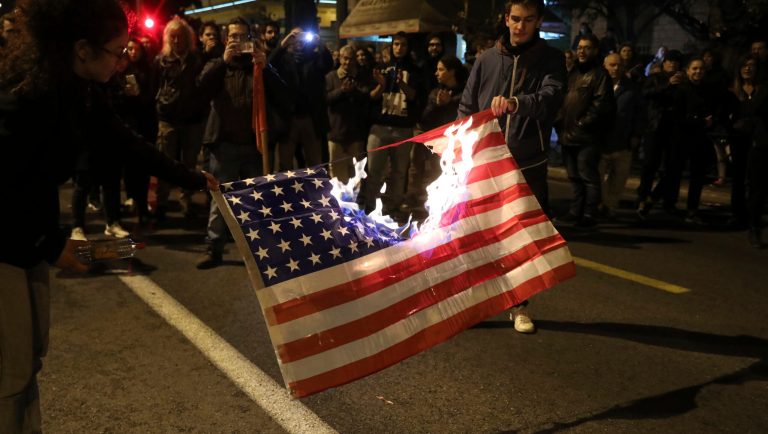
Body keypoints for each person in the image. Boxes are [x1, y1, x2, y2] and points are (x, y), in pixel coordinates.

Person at [0, 0, 217, 431]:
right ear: (83, 49)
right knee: (11, 367)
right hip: (7, 242)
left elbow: (127, 142)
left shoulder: (83, 91)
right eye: (116, 52)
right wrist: (52, 245)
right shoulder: (24, 98)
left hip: (32, 237)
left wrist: (193, 179)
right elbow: (6, 191)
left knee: (31, 354)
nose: (122, 62)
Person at [458, 0, 567, 334]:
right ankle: (475, 303)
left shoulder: (551, 58)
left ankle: (519, 305)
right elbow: (467, 105)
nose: (521, 26)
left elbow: (552, 96)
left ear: (538, 21)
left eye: (528, 20)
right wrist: (460, 147)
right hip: (485, 161)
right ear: (506, 19)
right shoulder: (487, 59)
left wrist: (517, 103)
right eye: (516, 19)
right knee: (478, 234)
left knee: (521, 237)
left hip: (527, 161)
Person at [196, 17, 286, 269]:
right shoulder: (218, 64)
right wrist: (222, 62)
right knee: (219, 201)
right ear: (226, 39)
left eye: (242, 37)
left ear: (250, 39)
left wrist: (267, 68)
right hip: (224, 145)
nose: (237, 41)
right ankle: (214, 248)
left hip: (254, 145)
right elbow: (200, 87)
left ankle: (258, 252)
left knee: (254, 200)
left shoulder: (258, 65)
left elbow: (283, 96)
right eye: (233, 36)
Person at [153, 16, 212, 219]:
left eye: (181, 36)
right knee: (165, 163)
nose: (177, 41)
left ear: (188, 38)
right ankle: (161, 202)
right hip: (168, 119)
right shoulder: (161, 61)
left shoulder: (197, 60)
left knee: (189, 164)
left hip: (192, 120)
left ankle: (186, 201)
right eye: (173, 37)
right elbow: (154, 88)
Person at [364, 32, 424, 216]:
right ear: (391, 46)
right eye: (396, 44)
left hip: (403, 128)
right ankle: (371, 207)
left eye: (403, 45)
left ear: (408, 47)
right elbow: (370, 96)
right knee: (374, 171)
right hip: (379, 128)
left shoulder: (415, 71)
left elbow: (415, 96)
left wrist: (402, 84)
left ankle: (392, 208)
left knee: (399, 172)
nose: (399, 48)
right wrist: (382, 85)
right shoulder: (380, 69)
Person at [404, 54, 468, 216]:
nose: (436, 73)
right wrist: (438, 104)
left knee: (440, 173)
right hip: (430, 138)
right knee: (418, 171)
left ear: (452, 71)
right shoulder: (436, 91)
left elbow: (463, 115)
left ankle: (439, 208)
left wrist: (450, 103)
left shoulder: (465, 92)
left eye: (441, 70)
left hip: (451, 142)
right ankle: (416, 204)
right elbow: (426, 116)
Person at [727, 54, 767, 246]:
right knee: (738, 177)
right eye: (744, 65)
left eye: (751, 65)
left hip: (759, 140)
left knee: (757, 183)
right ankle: (738, 214)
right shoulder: (733, 91)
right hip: (738, 139)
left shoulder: (763, 91)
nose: (748, 68)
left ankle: (754, 225)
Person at [599, 53, 645, 217]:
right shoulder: (597, 85)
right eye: (612, 65)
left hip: (623, 140)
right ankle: (602, 203)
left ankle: (610, 205)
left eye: (619, 65)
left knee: (619, 177)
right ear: (605, 66)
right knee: (598, 176)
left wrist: (636, 134)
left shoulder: (632, 88)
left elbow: (639, 113)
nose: (616, 68)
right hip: (600, 140)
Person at [326, 45, 372, 183]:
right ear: (340, 59)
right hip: (336, 133)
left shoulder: (361, 78)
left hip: (355, 134)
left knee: (356, 174)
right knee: (337, 175)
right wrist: (342, 91)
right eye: (345, 59)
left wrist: (354, 91)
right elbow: (325, 99)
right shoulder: (331, 77)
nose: (348, 62)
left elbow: (366, 98)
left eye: (351, 59)